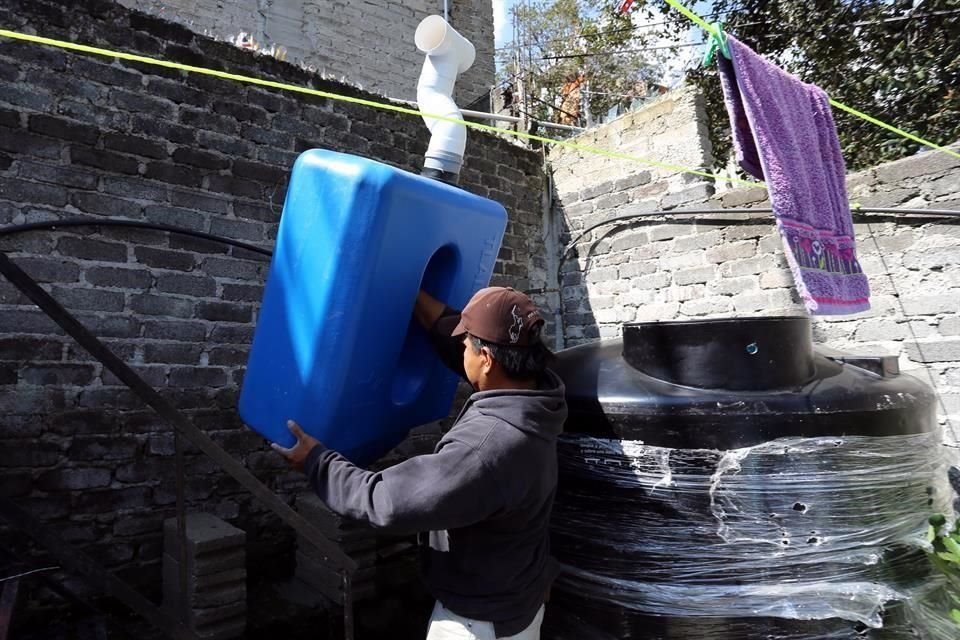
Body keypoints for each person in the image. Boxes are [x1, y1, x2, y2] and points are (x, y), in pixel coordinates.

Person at [273, 286, 568, 640]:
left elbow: (385, 502)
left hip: (477, 623)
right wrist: (410, 290)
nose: (461, 349)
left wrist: (316, 462)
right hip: (520, 594)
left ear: (487, 359)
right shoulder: (537, 397)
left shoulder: (485, 448)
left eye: (467, 345)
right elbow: (459, 344)